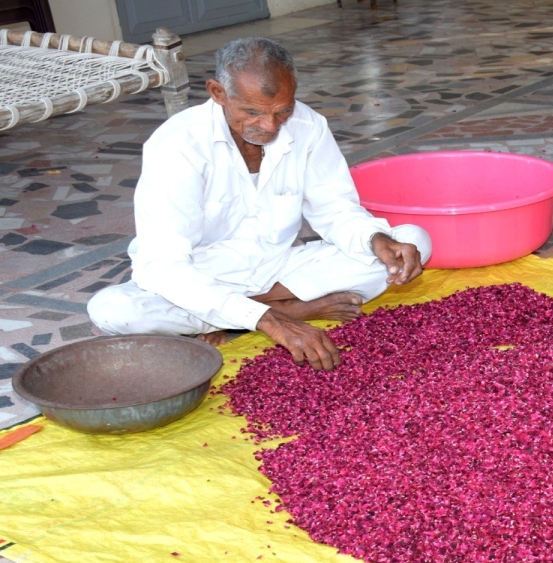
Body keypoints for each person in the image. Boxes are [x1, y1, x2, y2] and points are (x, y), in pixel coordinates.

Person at [87, 37, 432, 372]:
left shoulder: (308, 126)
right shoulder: (178, 145)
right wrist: (271, 322)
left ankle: (247, 311)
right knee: (114, 310)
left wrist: (376, 239)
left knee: (413, 242)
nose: (269, 126)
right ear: (218, 93)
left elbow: (334, 208)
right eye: (252, 111)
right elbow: (163, 265)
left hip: (278, 268)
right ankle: (288, 311)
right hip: (205, 275)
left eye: (282, 111)